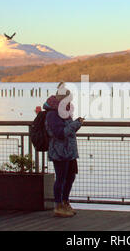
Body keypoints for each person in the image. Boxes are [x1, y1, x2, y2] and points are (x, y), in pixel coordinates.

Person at [43, 82, 84, 217]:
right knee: (61, 178)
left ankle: (65, 202)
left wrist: (77, 124)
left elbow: (69, 130)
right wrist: (75, 124)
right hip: (59, 151)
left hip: (70, 151)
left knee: (70, 177)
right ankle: (58, 205)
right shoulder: (53, 114)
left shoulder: (64, 112)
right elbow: (60, 133)